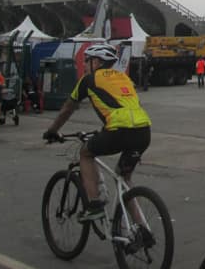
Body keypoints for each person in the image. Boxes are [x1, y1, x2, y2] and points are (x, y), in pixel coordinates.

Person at [44, 44, 152, 222]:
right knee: (124, 178)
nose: (84, 64)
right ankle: (141, 227)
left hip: (118, 130)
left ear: (97, 62)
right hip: (143, 131)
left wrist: (52, 131)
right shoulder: (124, 78)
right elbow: (127, 106)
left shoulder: (88, 80)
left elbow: (67, 109)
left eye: (86, 60)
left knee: (85, 153)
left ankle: (94, 205)